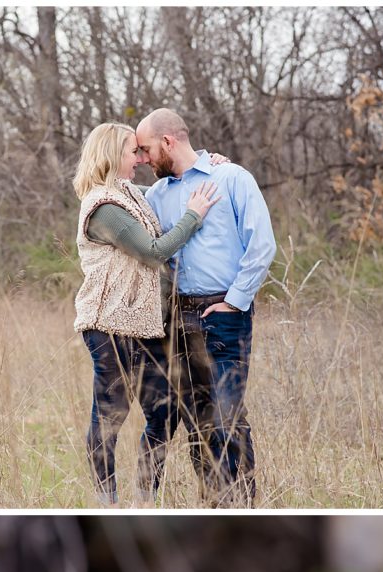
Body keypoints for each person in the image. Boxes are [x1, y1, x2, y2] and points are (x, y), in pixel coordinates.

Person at [135, 108, 277, 507]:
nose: (143, 159)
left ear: (168, 142)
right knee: (195, 418)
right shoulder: (156, 196)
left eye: (146, 150)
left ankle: (241, 507)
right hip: (177, 317)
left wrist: (235, 301)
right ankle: (212, 504)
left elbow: (261, 244)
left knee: (226, 415)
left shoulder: (231, 178)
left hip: (224, 314)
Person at [73, 122, 219, 507]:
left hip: (144, 326)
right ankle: (107, 501)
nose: (139, 158)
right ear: (110, 155)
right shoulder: (104, 207)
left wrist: (208, 166)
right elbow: (153, 252)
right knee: (110, 418)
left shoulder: (130, 194)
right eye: (131, 151)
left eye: (141, 151)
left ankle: (145, 495)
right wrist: (193, 216)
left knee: (164, 411)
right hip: (109, 326)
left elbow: (169, 190)